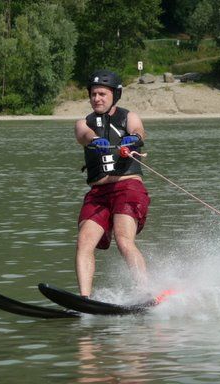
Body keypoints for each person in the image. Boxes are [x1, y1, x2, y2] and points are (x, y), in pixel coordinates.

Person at [74, 69, 150, 298]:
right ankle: (84, 300)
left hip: (127, 188)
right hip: (98, 193)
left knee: (123, 239)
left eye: (102, 94)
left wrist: (133, 138)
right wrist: (95, 140)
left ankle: (145, 293)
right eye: (93, 94)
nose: (96, 98)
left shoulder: (129, 117)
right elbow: (83, 135)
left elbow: (139, 131)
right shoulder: (82, 122)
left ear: (115, 95)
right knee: (84, 243)